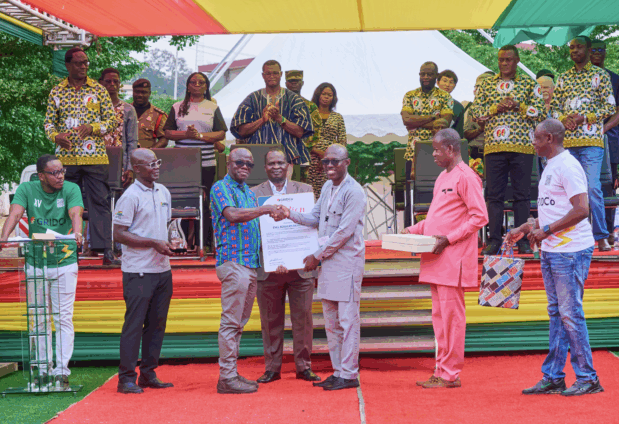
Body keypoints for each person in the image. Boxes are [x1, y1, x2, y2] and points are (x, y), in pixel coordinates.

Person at [507, 119, 604, 397]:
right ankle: (553, 377)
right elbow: (554, 210)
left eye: (536, 138)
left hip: (570, 250)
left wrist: (546, 230)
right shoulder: (551, 165)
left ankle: (588, 378)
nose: (532, 142)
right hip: (554, 249)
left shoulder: (568, 166)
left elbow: (582, 209)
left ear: (549, 138)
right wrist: (527, 227)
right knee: (558, 313)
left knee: (569, 314)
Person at [401, 129, 488, 388]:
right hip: (436, 257)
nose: (434, 155)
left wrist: (448, 239)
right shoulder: (442, 177)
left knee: (451, 319)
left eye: (437, 150)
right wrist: (412, 230)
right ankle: (441, 370)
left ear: (451, 149)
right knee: (440, 319)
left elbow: (480, 217)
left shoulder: (467, 176)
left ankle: (450, 374)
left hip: (452, 257)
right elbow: (436, 218)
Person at [278, 144, 366, 391]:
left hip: (346, 263)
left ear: (346, 162)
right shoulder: (327, 187)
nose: (328, 166)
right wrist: (289, 213)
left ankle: (349, 374)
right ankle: (338, 372)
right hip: (328, 264)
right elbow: (314, 218)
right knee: (331, 322)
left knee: (348, 321)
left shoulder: (354, 192)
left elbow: (344, 232)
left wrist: (316, 256)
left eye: (334, 161)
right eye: (325, 161)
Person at [0, 154, 84, 389]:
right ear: (41, 176)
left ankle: (61, 371)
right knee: (38, 319)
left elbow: (75, 214)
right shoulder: (27, 189)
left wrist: (77, 233)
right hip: (36, 263)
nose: (60, 176)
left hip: (64, 262)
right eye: (54, 173)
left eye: (62, 171)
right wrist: (4, 238)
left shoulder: (71, 189)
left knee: (63, 317)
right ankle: (42, 369)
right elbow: (15, 214)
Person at [210, 148, 286, 394]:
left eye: (249, 164)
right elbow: (232, 215)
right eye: (239, 162)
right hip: (234, 262)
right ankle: (226, 377)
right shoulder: (220, 188)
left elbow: (259, 228)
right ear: (228, 162)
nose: (244, 167)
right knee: (231, 322)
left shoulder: (249, 193)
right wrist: (266, 209)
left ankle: (231, 374)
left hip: (250, 264)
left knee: (239, 323)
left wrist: (281, 256)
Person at [44, 47, 119, 265]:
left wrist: (93, 127)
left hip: (95, 156)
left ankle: (106, 252)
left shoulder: (99, 90)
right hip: (66, 158)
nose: (84, 66)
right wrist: (56, 137)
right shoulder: (57, 91)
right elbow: (48, 123)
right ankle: (68, 251)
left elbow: (112, 121)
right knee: (64, 204)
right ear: (68, 65)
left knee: (100, 202)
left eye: (86, 62)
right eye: (79, 63)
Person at [250, 148, 320, 384]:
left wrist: (300, 256)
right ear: (265, 167)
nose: (276, 167)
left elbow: (312, 224)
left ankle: (304, 367)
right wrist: (274, 258)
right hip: (270, 268)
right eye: (271, 163)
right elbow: (253, 231)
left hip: (301, 267)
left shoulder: (305, 191)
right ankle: (272, 368)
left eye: (281, 162)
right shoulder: (253, 194)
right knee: (270, 322)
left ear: (289, 166)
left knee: (303, 320)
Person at [472, 45, 545, 255]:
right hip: (493, 147)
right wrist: (496, 107)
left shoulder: (529, 83)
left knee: (522, 195)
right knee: (494, 196)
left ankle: (522, 240)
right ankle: (494, 240)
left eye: (509, 59)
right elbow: (476, 112)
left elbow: (541, 112)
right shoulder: (487, 84)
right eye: (501, 59)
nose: (504, 63)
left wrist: (518, 106)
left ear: (517, 60)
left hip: (522, 147)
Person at [113, 149, 175, 394]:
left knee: (157, 325)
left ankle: (148, 374)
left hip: (162, 269)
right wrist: (152, 243)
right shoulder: (130, 196)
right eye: (150, 164)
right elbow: (119, 234)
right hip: (138, 270)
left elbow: (165, 225)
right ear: (136, 169)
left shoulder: (163, 191)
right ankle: (126, 378)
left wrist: (170, 242)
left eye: (157, 162)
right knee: (134, 325)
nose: (156, 167)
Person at [550, 36, 617, 252]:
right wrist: (563, 119)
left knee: (592, 187)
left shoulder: (600, 75)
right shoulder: (563, 77)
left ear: (588, 50)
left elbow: (610, 107)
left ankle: (601, 236)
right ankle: (570, 236)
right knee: (567, 190)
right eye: (572, 47)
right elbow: (554, 107)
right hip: (567, 143)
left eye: (579, 47)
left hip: (591, 142)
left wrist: (585, 118)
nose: (574, 51)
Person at [164, 72, 227, 253]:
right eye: (193, 82)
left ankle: (203, 243)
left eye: (201, 82)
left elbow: (221, 133)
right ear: (188, 86)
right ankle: (182, 243)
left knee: (204, 203)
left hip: (206, 162)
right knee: (181, 201)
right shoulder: (177, 106)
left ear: (206, 86)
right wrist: (185, 134)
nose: (197, 85)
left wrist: (199, 136)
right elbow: (167, 132)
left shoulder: (212, 107)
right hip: (181, 163)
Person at [230, 60, 313, 166]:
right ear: (263, 76)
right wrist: (262, 120)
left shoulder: (294, 100)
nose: (272, 76)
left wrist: (279, 118)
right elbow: (241, 132)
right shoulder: (252, 99)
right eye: (268, 73)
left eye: (275, 73)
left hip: (289, 159)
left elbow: (300, 132)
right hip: (258, 159)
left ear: (281, 74)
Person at [401, 62, 454, 179]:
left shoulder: (445, 96)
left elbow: (444, 124)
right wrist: (434, 117)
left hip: (438, 154)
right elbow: (406, 120)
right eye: (422, 74)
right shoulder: (410, 95)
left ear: (436, 76)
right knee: (413, 189)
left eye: (429, 74)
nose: (425, 77)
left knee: (438, 188)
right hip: (412, 153)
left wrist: (415, 122)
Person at [590, 39, 619, 245]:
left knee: (608, 186)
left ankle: (608, 232)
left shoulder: (615, 79)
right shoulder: (578, 79)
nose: (597, 53)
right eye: (593, 49)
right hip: (582, 139)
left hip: (610, 139)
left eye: (601, 49)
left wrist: (603, 128)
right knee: (585, 186)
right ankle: (585, 231)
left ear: (605, 53)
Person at [99, 67, 138, 188]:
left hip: (121, 164)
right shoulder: (93, 108)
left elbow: (132, 142)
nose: (112, 84)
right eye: (108, 81)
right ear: (101, 83)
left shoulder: (128, 109)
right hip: (96, 163)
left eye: (116, 81)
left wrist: (130, 168)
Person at [307, 83, 347, 199]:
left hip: (332, 163)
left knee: (330, 195)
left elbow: (342, 142)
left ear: (333, 98)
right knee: (311, 196)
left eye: (329, 95)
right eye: (324, 94)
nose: (326, 97)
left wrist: (329, 157)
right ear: (318, 95)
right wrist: (319, 153)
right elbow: (302, 138)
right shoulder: (308, 115)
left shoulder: (337, 117)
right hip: (310, 161)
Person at [285, 70, 321, 182]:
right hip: (282, 157)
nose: (294, 83)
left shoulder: (310, 107)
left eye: (297, 81)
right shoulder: (279, 105)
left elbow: (316, 131)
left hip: (302, 157)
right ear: (286, 84)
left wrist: (303, 148)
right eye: (291, 81)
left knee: (301, 188)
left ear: (302, 83)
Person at [463, 71, 495, 159]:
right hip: (474, 153)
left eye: (481, 86)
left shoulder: (502, 108)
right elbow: (466, 134)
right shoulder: (473, 108)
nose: (477, 90)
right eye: (476, 86)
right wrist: (480, 129)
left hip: (495, 154)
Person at [132, 79, 168, 149]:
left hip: (147, 154)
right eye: (137, 92)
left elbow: (164, 139)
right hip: (125, 154)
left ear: (149, 93)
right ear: (133, 92)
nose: (140, 95)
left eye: (144, 92)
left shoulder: (158, 115)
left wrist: (150, 151)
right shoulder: (124, 111)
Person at [437, 70, 465, 138]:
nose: (447, 85)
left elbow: (459, 132)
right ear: (437, 82)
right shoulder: (428, 100)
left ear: (454, 86)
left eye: (451, 82)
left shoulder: (458, 107)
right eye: (445, 81)